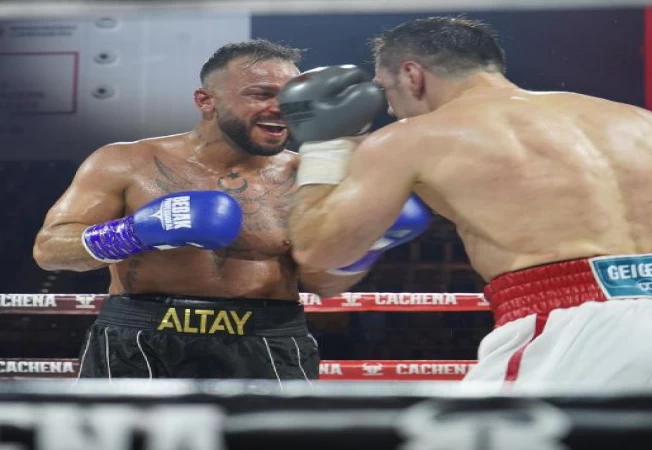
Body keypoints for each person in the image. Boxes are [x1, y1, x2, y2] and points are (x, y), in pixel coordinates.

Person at [281, 17, 652, 392]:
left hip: (574, 325)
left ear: (412, 74)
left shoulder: (412, 138)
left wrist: (324, 147)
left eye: (386, 89)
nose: (389, 107)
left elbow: (320, 251)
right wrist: (615, 248)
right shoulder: (637, 120)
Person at [32, 39, 386, 381]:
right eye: (261, 94)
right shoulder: (125, 162)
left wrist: (365, 247)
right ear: (205, 101)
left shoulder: (310, 178)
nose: (281, 108)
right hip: (140, 342)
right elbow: (50, 251)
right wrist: (135, 232)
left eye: (291, 97)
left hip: (267, 342)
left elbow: (323, 283)